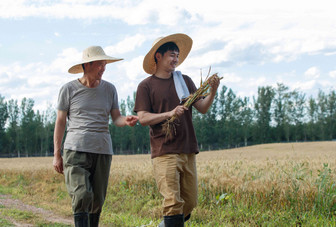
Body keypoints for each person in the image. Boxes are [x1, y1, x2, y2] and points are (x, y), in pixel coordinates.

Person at [134, 34, 220, 226]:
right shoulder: (146, 86)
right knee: (173, 203)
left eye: (177, 56)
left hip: (188, 149)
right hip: (164, 151)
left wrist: (213, 90)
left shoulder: (185, 80)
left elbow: (203, 108)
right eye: (172, 55)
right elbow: (143, 118)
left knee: (190, 202)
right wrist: (169, 113)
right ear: (158, 56)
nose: (176, 60)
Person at [53, 46, 138, 227]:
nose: (103, 68)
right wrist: (56, 154)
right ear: (87, 65)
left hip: (102, 150)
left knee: (97, 200)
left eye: (105, 64)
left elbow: (116, 117)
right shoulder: (68, 89)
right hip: (75, 150)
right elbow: (60, 122)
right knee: (82, 194)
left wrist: (126, 120)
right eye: (100, 64)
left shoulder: (110, 89)